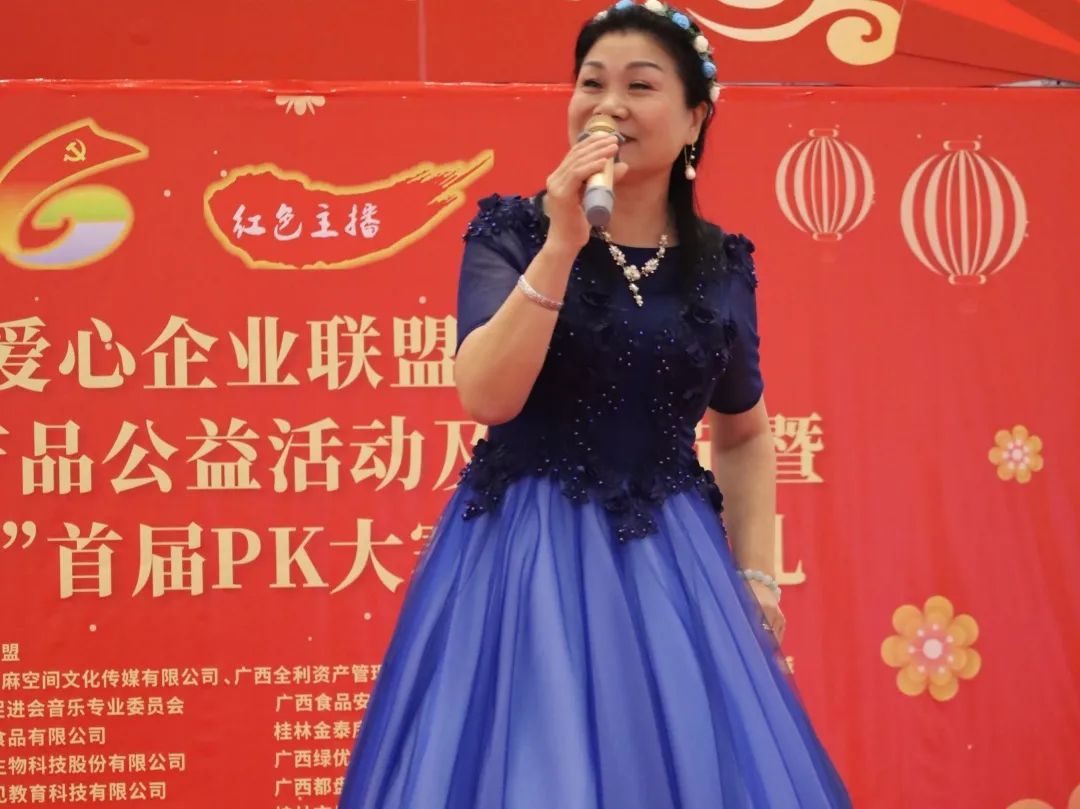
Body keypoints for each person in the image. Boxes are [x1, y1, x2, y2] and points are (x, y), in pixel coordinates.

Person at [338, 2, 853, 806]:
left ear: (695, 119)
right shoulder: (513, 232)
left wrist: (757, 575)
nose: (608, 106)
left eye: (639, 86)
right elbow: (486, 394)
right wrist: (563, 240)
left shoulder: (719, 265)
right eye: (591, 83)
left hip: (673, 566)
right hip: (523, 559)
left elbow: (745, 432)